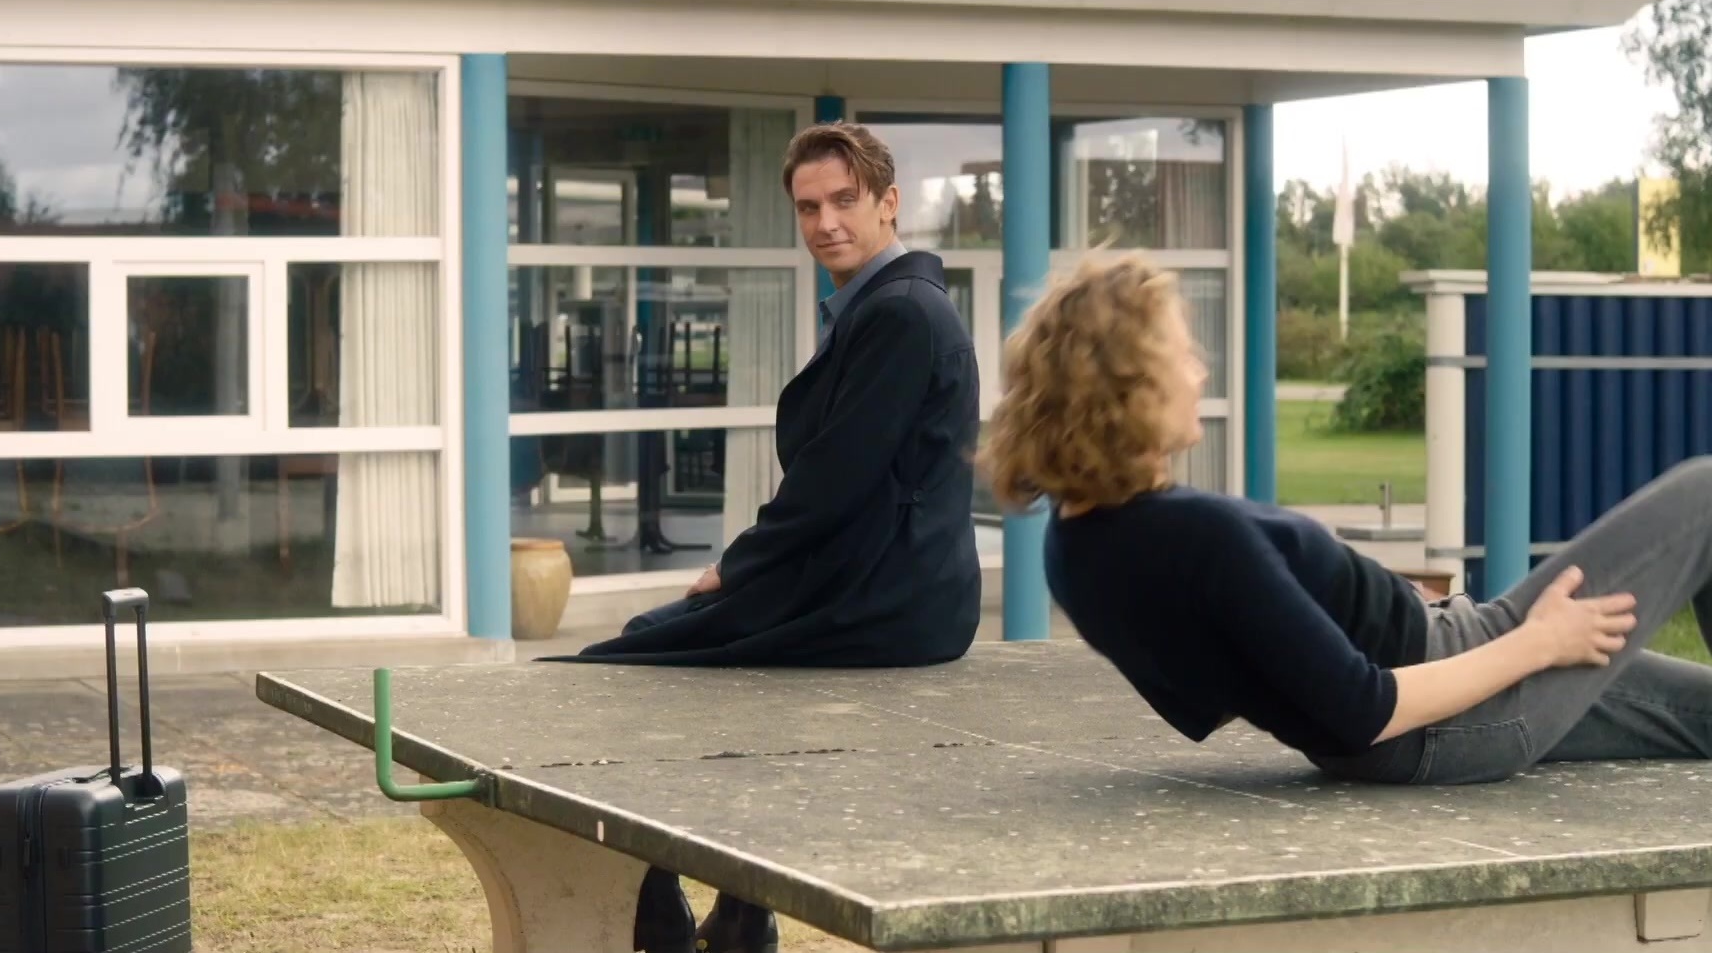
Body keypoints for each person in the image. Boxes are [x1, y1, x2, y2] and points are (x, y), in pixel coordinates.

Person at [977, 250, 1712, 794]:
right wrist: (1538, 642)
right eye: (1181, 354)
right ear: (1126, 391)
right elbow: (1364, 709)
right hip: (1456, 709)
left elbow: (1200, 702)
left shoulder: (1074, 548)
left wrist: (1362, 616)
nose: (1200, 372)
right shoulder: (1193, 538)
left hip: (1428, 695)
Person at [539, 122, 981, 953]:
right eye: (809, 207)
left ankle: (662, 905)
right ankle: (734, 912)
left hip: (885, 597)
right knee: (657, 653)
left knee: (623, 662)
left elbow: (836, 477)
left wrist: (734, 569)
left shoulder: (900, 313)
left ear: (888, 203)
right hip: (877, 581)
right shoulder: (886, 305)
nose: (826, 223)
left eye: (845, 201)